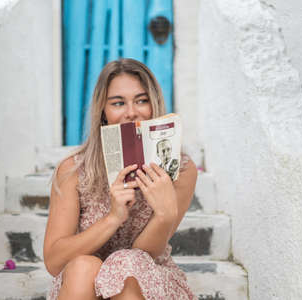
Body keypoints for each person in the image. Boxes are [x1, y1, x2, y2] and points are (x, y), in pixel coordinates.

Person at [43, 58, 197, 300]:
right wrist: (113, 218)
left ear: (154, 105)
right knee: (84, 267)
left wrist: (164, 215)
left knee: (127, 263)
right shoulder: (73, 170)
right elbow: (54, 261)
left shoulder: (183, 169)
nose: (131, 112)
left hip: (145, 281)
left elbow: (148, 253)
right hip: (81, 284)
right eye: (118, 103)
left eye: (141, 100)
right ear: (103, 111)